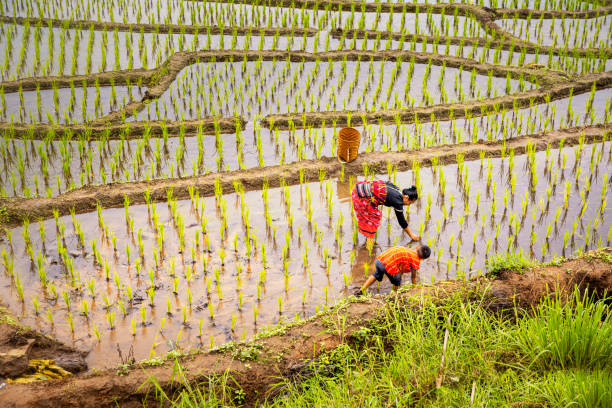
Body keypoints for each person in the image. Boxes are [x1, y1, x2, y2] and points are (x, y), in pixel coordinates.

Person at [351, 180, 420, 247]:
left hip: (359, 187)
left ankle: (369, 239)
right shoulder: (398, 201)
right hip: (360, 196)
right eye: (410, 203)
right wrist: (411, 235)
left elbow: (386, 184)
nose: (408, 205)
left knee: (372, 217)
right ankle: (369, 245)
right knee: (372, 220)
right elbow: (402, 221)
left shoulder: (397, 189)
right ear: (406, 197)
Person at [355, 245, 431, 295]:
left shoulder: (408, 251)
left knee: (376, 275)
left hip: (380, 260)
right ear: (423, 259)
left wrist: (400, 273)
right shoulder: (416, 261)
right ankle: (394, 295)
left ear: (417, 247)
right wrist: (415, 289)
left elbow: (401, 265)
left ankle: (362, 289)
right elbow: (413, 278)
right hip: (388, 265)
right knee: (397, 281)